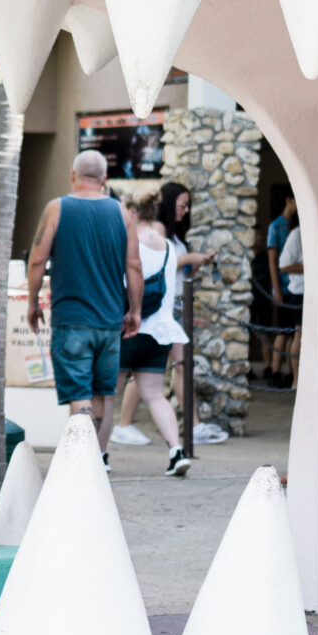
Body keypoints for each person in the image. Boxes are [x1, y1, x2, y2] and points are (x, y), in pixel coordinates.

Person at [26, 149, 142, 456]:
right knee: (100, 392)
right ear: (104, 179)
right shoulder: (122, 213)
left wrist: (32, 303)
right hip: (109, 321)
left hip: (72, 318)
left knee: (79, 395)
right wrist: (135, 311)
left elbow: (38, 260)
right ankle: (90, 456)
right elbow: (134, 267)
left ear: (72, 175)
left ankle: (81, 460)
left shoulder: (57, 208)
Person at [114, 196, 192, 476]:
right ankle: (176, 452)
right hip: (160, 332)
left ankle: (100, 457)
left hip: (129, 328)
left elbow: (124, 279)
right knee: (156, 396)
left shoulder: (129, 241)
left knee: (107, 395)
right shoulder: (169, 247)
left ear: (133, 212)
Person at [266, 193, 299, 387]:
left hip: (294, 287)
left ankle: (288, 371)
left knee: (291, 332)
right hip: (284, 285)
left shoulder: (295, 225)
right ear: (288, 200)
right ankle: (275, 371)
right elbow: (273, 259)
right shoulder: (275, 226)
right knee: (282, 332)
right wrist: (276, 289)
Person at [278, 209, 304, 387]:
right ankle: (295, 379)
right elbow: (283, 265)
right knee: (298, 334)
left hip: (308, 292)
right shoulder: (296, 235)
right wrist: (305, 268)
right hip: (299, 292)